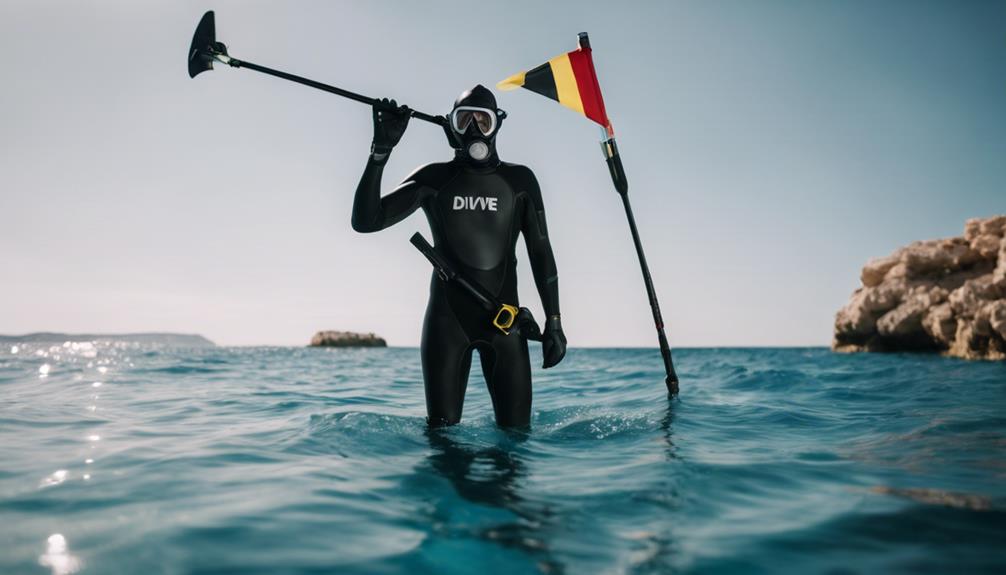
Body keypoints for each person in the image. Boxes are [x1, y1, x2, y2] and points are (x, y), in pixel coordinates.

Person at [351, 84, 566, 428]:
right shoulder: (433, 178)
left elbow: (541, 251)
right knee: (442, 441)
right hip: (446, 325)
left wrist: (554, 321)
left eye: (483, 120)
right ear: (452, 127)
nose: (475, 130)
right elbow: (366, 221)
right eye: (464, 120)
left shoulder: (520, 180)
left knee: (515, 443)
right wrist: (381, 151)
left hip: (505, 325)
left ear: (498, 124)